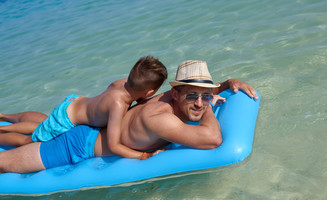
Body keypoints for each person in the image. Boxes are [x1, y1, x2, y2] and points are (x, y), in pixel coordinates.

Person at [0, 60, 258, 174]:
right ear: (176, 92)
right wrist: (211, 105)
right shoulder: (162, 117)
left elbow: (199, 91)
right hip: (78, 146)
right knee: (5, 163)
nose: (200, 103)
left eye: (204, 94)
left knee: (36, 131)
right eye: (193, 96)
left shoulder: (170, 95)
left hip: (87, 128)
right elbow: (213, 139)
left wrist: (227, 83)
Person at [0, 56, 167, 159]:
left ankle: (4, 117)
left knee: (41, 126)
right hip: (66, 119)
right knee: (28, 141)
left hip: (74, 103)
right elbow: (114, 145)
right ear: (150, 91)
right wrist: (143, 155)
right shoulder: (117, 105)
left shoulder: (123, 83)